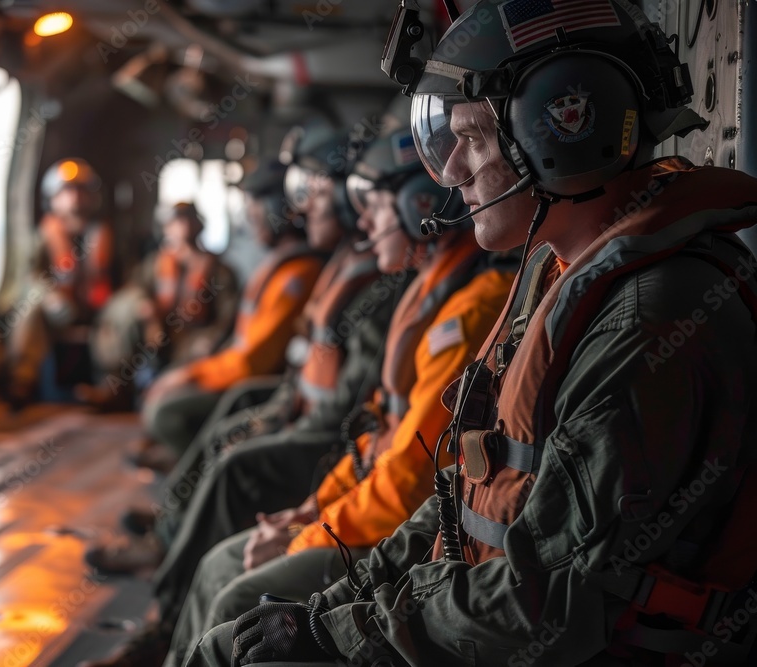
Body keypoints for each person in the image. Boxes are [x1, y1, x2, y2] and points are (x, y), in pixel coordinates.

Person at [189, 1, 757, 665]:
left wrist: (339, 632)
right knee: (237, 639)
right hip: (486, 617)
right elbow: (462, 493)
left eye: (475, 139)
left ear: (563, 128)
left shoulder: (647, 321)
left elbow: (542, 597)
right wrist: (332, 606)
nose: (454, 171)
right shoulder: (553, 276)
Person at [165, 123, 515, 667]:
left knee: (235, 595)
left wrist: (307, 533)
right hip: (361, 503)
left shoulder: (467, 310)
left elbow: (407, 479)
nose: (364, 221)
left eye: (371, 205)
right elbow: (376, 432)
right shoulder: (428, 290)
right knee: (218, 565)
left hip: (393, 531)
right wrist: (308, 511)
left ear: (418, 204)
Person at [83, 125, 395, 667]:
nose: (305, 209)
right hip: (313, 420)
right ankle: (168, 552)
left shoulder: (365, 283)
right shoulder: (344, 270)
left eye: (317, 194)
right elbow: (305, 374)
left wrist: (307, 502)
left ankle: (166, 598)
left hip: (326, 439)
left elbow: (345, 411)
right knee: (236, 424)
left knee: (237, 465)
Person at [140, 159, 327, 457]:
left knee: (166, 414)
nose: (252, 222)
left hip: (256, 384)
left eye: (255, 211)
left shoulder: (297, 275)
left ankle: (192, 478)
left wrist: (192, 375)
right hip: (233, 370)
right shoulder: (277, 268)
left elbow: (252, 362)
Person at [88, 202, 239, 406]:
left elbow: (226, 319)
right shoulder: (155, 265)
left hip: (192, 340)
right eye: (175, 222)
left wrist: (208, 340)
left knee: (179, 380)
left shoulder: (219, 271)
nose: (181, 227)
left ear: (198, 225)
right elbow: (134, 291)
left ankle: (167, 398)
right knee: (124, 316)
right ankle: (116, 388)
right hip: (158, 336)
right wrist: (148, 313)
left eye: (187, 220)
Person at [7, 158, 117, 405]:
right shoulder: (46, 235)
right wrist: (49, 296)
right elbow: (28, 276)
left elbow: (125, 276)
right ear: (53, 198)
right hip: (60, 310)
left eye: (80, 190)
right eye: (67, 191)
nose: (75, 197)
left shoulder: (104, 233)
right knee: (30, 308)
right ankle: (21, 383)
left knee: (122, 315)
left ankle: (111, 388)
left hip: (100, 308)